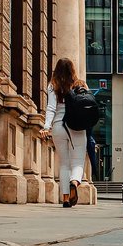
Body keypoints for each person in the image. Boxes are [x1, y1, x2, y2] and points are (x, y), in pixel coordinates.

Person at [40, 56, 88, 207]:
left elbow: (51, 108)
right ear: (72, 69)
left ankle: (66, 198)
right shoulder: (80, 84)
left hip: (58, 126)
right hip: (77, 127)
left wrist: (46, 127)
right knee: (78, 161)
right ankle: (75, 181)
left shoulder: (53, 85)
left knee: (64, 163)